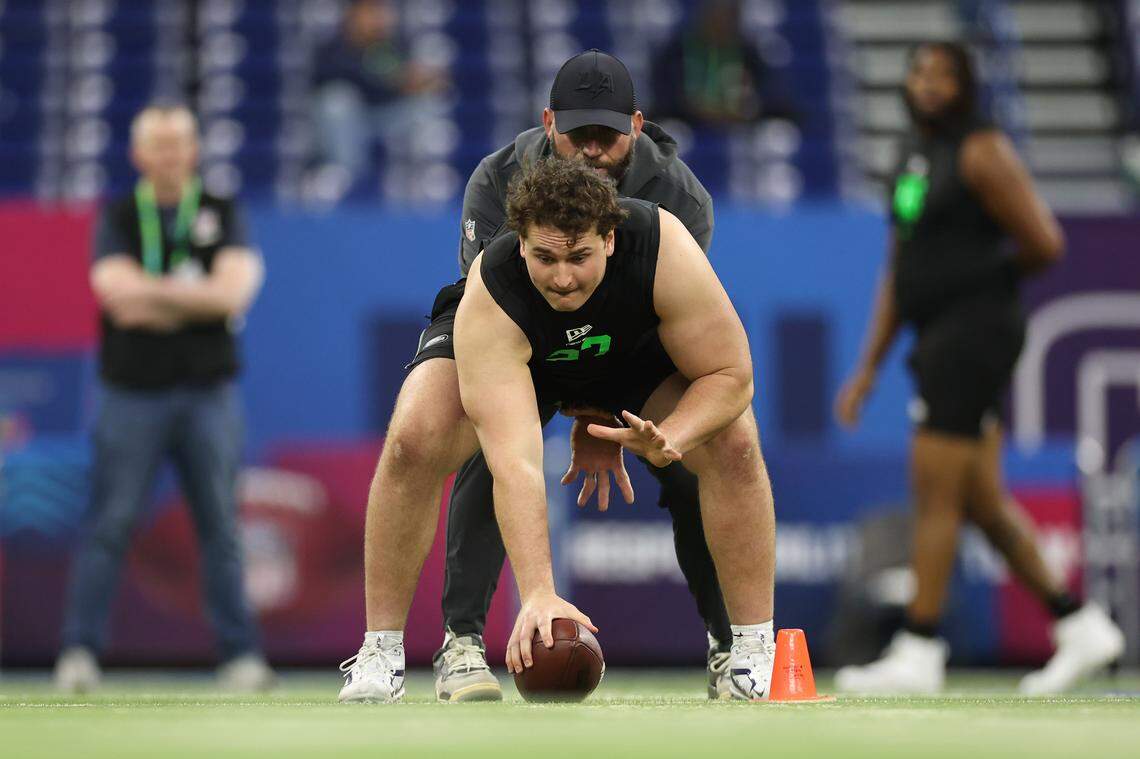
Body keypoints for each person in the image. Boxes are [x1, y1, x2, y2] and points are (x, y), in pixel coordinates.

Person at [337, 158, 776, 704]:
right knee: (413, 437)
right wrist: (539, 593)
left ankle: (755, 652)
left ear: (609, 239)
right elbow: (515, 463)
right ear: (520, 243)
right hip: (530, 361)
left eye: (579, 256)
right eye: (544, 256)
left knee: (733, 441)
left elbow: (731, 375)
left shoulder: (663, 247)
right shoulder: (494, 291)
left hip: (633, 357)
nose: (563, 276)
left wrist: (675, 437)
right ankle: (382, 652)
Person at [431, 49, 734, 703]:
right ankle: (460, 642)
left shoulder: (680, 199)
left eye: (608, 133)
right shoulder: (497, 181)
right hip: (527, 347)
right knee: (492, 448)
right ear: (547, 122)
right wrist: (576, 410)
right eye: (578, 133)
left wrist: (605, 414)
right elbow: (504, 319)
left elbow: (662, 327)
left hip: (633, 351)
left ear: (636, 123)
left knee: (695, 456)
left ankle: (731, 645)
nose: (593, 150)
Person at [832, 42, 1124, 695]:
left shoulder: (982, 150)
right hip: (936, 333)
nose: (928, 85)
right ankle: (1079, 624)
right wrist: (868, 366)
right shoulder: (911, 156)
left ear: (966, 87)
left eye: (943, 75)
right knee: (982, 500)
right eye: (918, 72)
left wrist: (971, 284)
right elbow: (901, 267)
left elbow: (1044, 242)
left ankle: (919, 646)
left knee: (936, 489)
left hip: (975, 334)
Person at [53, 105, 273, 693]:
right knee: (110, 522)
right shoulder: (122, 215)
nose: (170, 154)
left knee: (220, 526)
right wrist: (193, 293)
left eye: (179, 143)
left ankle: (239, 654)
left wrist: (157, 298)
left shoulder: (221, 211)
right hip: (130, 393)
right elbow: (114, 295)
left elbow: (231, 294)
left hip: (208, 394)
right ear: (139, 154)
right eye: (159, 144)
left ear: (194, 150)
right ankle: (79, 651)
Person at [312, 0, 449, 183]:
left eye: (378, 12)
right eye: (368, 13)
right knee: (334, 101)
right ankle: (345, 173)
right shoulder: (335, 46)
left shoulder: (394, 43)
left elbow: (408, 80)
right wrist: (391, 79)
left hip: (387, 116)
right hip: (352, 120)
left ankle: (425, 174)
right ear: (352, 16)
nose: (375, 18)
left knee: (431, 100)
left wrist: (423, 82)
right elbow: (330, 77)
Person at [649, 0, 794, 129]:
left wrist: (750, 107)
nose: (721, 22)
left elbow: (770, 97)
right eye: (715, 15)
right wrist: (697, 108)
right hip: (689, 124)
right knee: (671, 131)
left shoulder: (749, 53)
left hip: (743, 125)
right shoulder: (677, 51)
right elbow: (665, 96)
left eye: (728, 16)